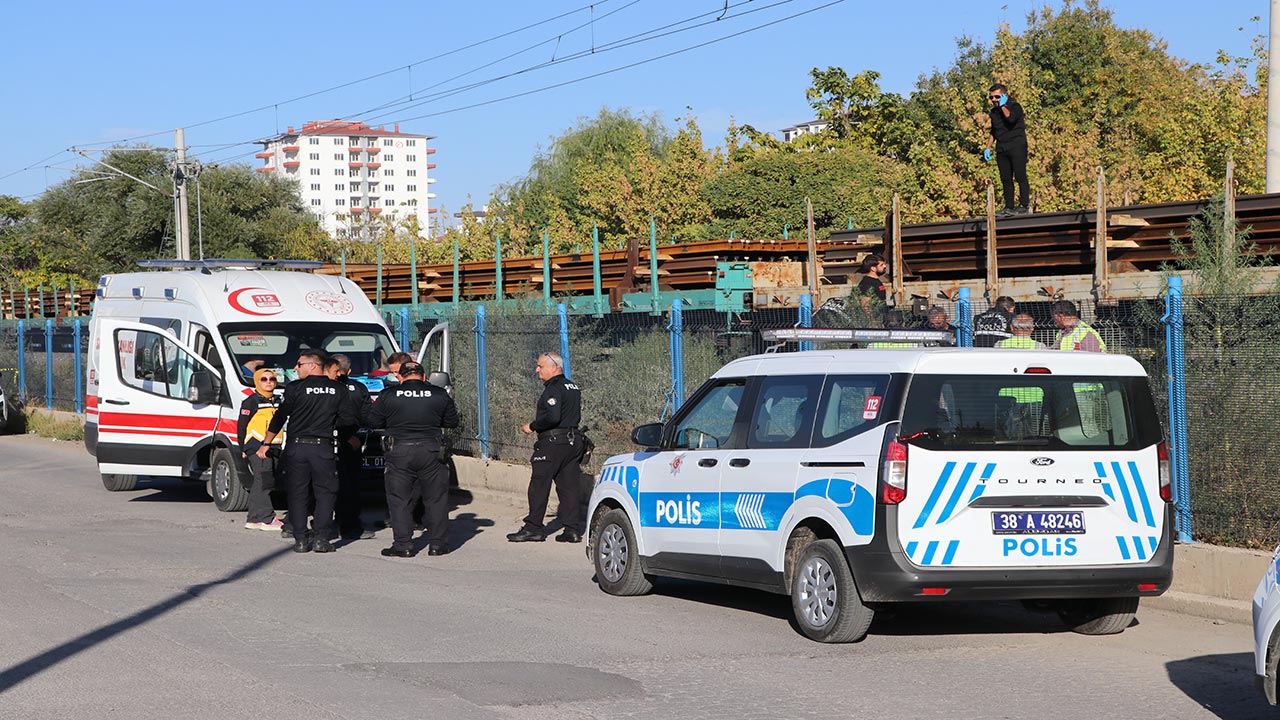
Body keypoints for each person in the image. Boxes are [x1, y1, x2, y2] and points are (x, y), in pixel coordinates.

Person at [258, 350, 357, 554]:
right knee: (326, 493)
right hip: (323, 447)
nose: (296, 368)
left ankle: (301, 539)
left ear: (313, 365)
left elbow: (280, 417)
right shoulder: (338, 389)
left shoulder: (294, 388)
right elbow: (348, 420)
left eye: (299, 364)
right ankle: (321, 538)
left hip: (297, 447)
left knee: (298, 493)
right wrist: (336, 429)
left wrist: (266, 443)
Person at [367, 361, 459, 557]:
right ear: (424, 377)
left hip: (399, 450)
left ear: (400, 377)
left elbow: (374, 422)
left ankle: (403, 545)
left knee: (399, 500)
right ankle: (438, 545)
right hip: (432, 450)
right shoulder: (439, 394)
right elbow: (452, 422)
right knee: (436, 499)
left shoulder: (388, 395)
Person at [507, 352, 585, 543]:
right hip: (573, 442)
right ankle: (572, 529)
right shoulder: (572, 386)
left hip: (552, 443)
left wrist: (531, 426)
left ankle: (534, 528)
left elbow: (552, 417)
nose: (537, 370)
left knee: (539, 486)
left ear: (554, 367)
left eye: (540, 366)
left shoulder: (554, 388)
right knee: (569, 487)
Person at [326, 354, 375, 541]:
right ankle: (351, 524)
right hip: (352, 440)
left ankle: (323, 524)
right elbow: (368, 415)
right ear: (350, 370)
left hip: (326, 441)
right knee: (351, 484)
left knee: (325, 485)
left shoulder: (327, 387)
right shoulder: (359, 388)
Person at [238, 368, 284, 532]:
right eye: (264, 379)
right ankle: (267, 518)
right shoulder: (251, 401)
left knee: (262, 481)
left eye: (272, 379)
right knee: (264, 480)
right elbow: (241, 426)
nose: (269, 382)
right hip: (256, 446)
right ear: (257, 381)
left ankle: (254, 518)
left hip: (275, 446)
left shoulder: (279, 400)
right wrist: (242, 447)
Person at [983, 84, 1031, 217]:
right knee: (1005, 178)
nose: (994, 100)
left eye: (997, 97)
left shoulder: (1015, 107)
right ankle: (1009, 206)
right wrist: (988, 147)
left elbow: (1010, 119)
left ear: (1004, 96)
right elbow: (994, 131)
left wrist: (1003, 105)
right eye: (991, 97)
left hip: (1017, 145)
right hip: (1002, 147)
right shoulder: (994, 112)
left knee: (1020, 175)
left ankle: (1023, 205)